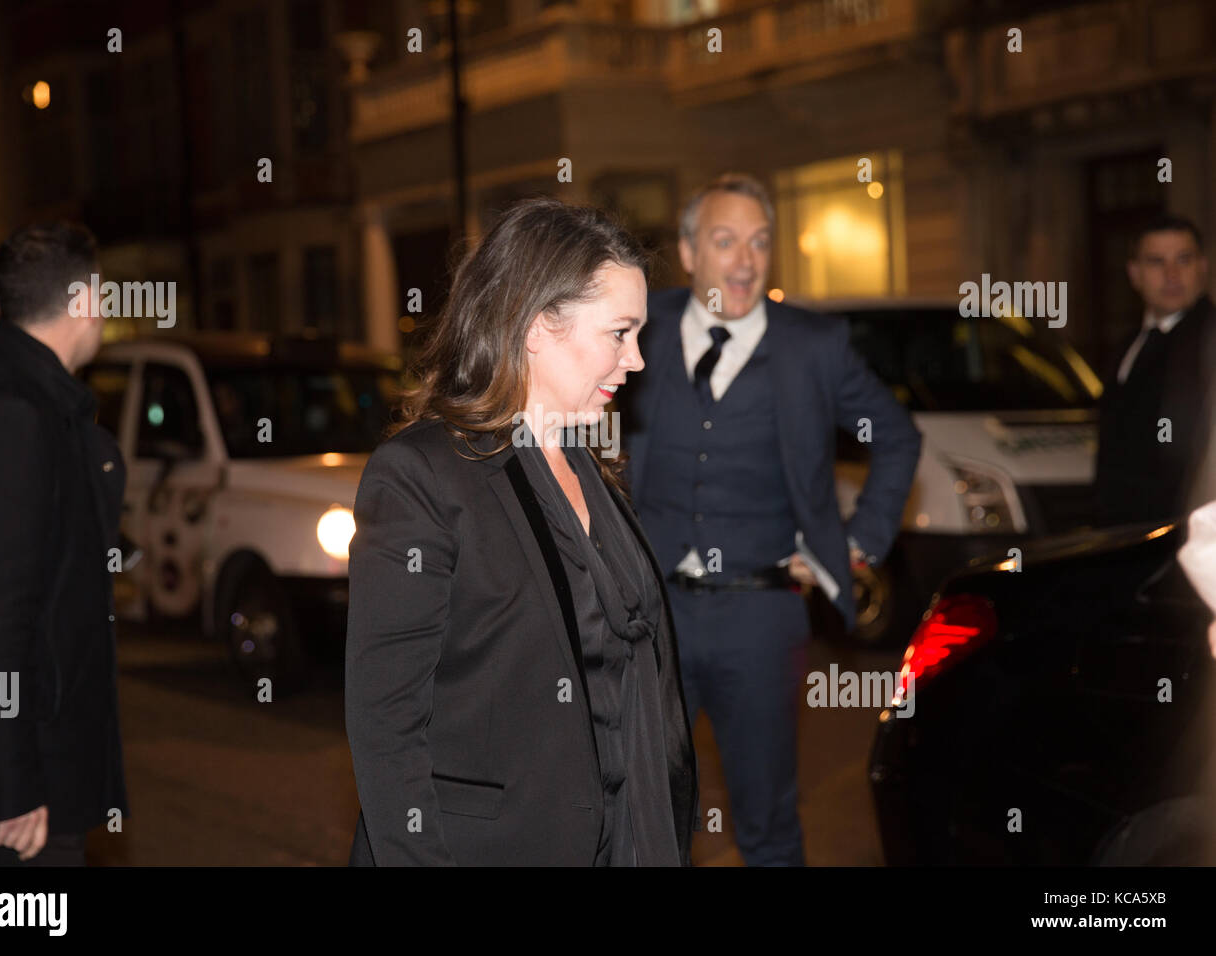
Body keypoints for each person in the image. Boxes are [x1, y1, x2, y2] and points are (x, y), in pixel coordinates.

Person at [344, 198, 697, 866]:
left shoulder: (591, 466)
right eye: (620, 333)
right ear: (539, 326)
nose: (638, 360)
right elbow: (386, 723)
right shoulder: (421, 475)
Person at [621, 173, 921, 866]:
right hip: (651, 611)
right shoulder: (643, 326)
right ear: (691, 252)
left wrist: (855, 544)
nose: (745, 261)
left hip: (761, 618)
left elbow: (896, 436)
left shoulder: (812, 345)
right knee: (644, 818)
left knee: (768, 825)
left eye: (759, 242)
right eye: (725, 241)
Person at [0, 222, 128, 866]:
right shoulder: (12, 415)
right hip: (15, 809)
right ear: (87, 301)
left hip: (35, 779)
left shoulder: (37, 404)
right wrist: (9, 788)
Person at [1095, 215, 1214, 527]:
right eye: (1156, 262)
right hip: (1122, 537)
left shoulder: (1210, 341)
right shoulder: (1128, 345)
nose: (1172, 274)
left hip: (1185, 534)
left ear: (1203, 266)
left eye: (1183, 260)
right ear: (1134, 274)